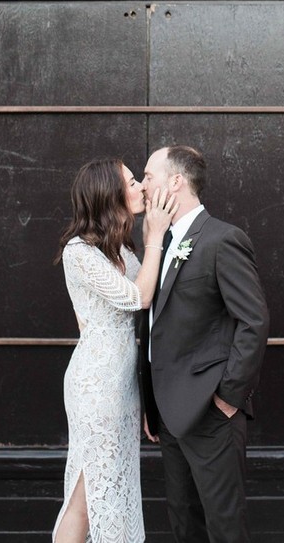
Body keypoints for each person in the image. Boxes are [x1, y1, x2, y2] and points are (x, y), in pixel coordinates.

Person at [140, 145, 270, 543]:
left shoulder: (222, 239)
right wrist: (150, 402)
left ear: (175, 182)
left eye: (149, 177)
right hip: (167, 416)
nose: (142, 186)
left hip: (212, 414)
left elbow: (253, 321)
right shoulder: (157, 244)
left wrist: (228, 397)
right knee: (185, 525)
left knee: (224, 528)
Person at [52, 157, 177, 543]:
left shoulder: (119, 249)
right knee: (88, 492)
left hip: (121, 384)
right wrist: (155, 236)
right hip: (96, 385)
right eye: (132, 182)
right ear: (110, 194)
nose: (141, 187)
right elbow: (139, 297)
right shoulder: (79, 252)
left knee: (113, 485)